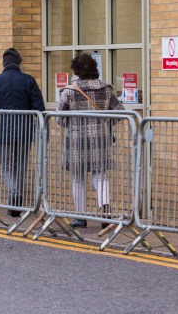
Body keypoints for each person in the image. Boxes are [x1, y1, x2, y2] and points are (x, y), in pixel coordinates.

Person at [57, 53, 123, 228]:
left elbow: (59, 117)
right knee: (100, 176)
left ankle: (80, 216)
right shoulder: (106, 89)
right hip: (100, 139)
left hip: (77, 139)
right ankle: (105, 210)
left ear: (76, 71)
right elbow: (120, 111)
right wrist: (106, 123)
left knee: (78, 178)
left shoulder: (70, 91)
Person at [0, 48, 45, 216]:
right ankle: (15, 198)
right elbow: (39, 107)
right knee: (20, 166)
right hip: (24, 131)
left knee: (6, 166)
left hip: (3, 131)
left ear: (4, 63)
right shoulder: (29, 80)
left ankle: (14, 194)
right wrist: (42, 132)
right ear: (19, 62)